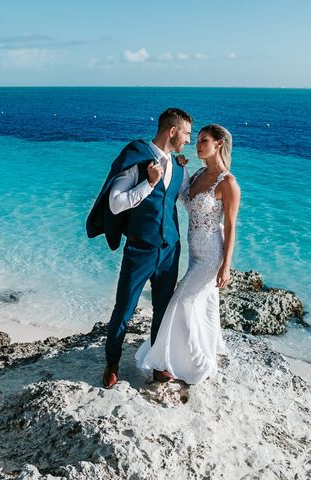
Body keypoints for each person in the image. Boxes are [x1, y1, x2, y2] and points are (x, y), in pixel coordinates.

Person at [86, 108, 193, 388]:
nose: (188, 141)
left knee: (163, 309)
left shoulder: (180, 165)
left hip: (170, 249)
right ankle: (112, 362)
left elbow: (187, 198)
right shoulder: (136, 157)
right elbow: (116, 203)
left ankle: (158, 365)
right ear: (172, 131)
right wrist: (149, 183)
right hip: (140, 250)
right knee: (124, 309)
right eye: (187, 134)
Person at [135, 124, 241, 385]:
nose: (197, 145)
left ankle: (197, 364)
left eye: (204, 141)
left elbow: (230, 227)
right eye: (197, 141)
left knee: (180, 304)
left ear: (218, 144)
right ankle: (201, 351)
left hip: (211, 256)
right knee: (202, 307)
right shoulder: (198, 175)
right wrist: (180, 168)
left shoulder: (227, 183)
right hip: (193, 252)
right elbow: (183, 194)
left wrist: (226, 265)